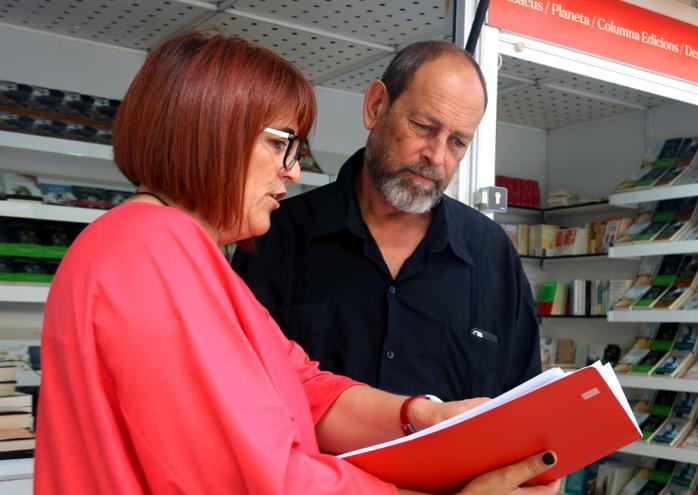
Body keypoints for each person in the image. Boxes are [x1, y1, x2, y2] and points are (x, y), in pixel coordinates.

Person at [33, 32, 560, 494]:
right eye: (280, 144)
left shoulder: (182, 253)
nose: (291, 171)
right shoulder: (149, 250)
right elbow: (253, 479)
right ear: (211, 131)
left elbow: (303, 386)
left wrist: (422, 414)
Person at [233, 40, 540, 401]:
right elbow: (238, 388)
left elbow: (524, 405)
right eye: (423, 126)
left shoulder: (492, 254)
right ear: (376, 106)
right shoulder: (276, 234)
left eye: (457, 142)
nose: (436, 156)